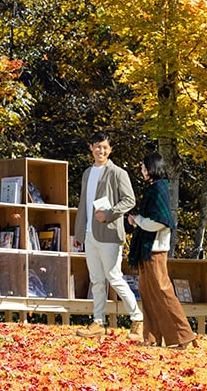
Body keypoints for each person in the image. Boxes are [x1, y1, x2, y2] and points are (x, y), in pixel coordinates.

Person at [72, 132, 144, 341]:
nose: (100, 151)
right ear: (91, 148)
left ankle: (137, 319)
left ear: (110, 150)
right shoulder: (87, 173)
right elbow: (83, 205)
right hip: (89, 234)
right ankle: (98, 322)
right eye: (97, 146)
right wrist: (78, 233)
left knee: (113, 277)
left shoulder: (117, 173)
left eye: (104, 147)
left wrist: (109, 213)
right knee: (96, 279)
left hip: (110, 233)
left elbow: (129, 200)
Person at [128, 153, 198, 349]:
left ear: (153, 168)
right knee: (147, 291)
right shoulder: (153, 188)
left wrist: (139, 220)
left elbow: (161, 222)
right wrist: (138, 221)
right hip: (146, 249)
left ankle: (184, 335)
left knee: (161, 290)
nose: (142, 170)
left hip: (155, 250)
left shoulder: (159, 188)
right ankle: (151, 337)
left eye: (144, 166)